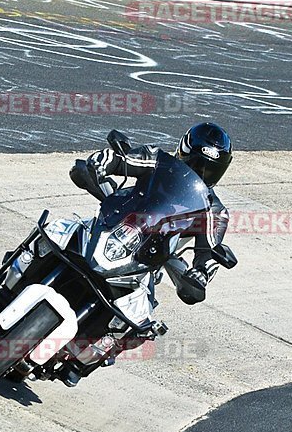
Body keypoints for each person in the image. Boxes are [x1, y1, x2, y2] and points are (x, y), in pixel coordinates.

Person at [70, 123, 232, 305]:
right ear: (184, 152)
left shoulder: (215, 212)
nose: (199, 172)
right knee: (62, 231)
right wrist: (102, 163)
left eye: (209, 170)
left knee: (140, 319)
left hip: (148, 259)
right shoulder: (156, 159)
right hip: (115, 225)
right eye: (194, 163)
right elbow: (122, 159)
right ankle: (30, 255)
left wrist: (201, 272)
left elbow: (208, 250)